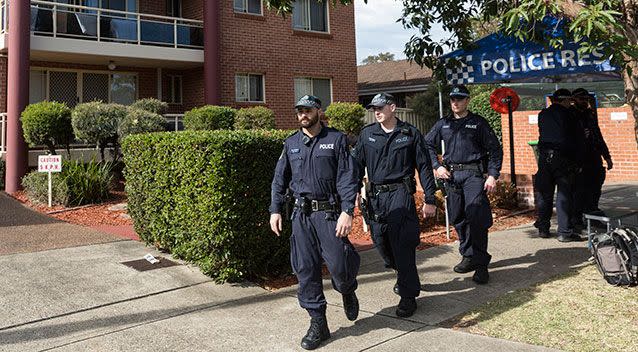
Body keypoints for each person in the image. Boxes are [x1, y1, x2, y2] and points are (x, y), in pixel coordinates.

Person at [269, 95, 360, 350]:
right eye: (299, 111)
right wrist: (275, 210)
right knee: (305, 269)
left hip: (329, 214)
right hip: (301, 216)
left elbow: (347, 177)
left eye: (307, 110)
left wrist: (347, 211)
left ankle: (347, 289)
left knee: (340, 266)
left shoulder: (336, 140)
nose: (303, 115)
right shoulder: (291, 143)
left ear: (318, 111)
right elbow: (279, 180)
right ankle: (318, 322)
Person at [351, 92, 437, 318]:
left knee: (403, 245)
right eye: (373, 109)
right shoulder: (367, 134)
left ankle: (408, 297)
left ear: (392, 107)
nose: (376, 112)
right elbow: (356, 167)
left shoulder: (409, 133)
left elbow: (424, 167)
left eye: (380, 107)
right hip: (376, 197)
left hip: (400, 193)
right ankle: (403, 274)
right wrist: (351, 195)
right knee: (381, 243)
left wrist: (430, 198)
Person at [424, 85, 503, 284]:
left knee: (476, 216)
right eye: (452, 99)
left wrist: (492, 175)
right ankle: (468, 255)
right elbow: (427, 144)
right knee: (458, 217)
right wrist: (436, 166)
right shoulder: (444, 124)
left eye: (459, 99)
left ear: (467, 100)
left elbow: (495, 150)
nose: (455, 103)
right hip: (451, 176)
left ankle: (481, 263)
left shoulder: (478, 123)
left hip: (473, 175)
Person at [533, 89, 586, 242]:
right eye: (569, 101)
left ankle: (543, 228)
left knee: (544, 194)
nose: (571, 104)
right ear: (564, 100)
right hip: (562, 158)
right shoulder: (569, 114)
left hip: (544, 157)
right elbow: (577, 139)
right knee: (564, 195)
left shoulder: (543, 114)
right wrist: (578, 161)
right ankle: (564, 232)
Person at [570, 88, 613, 224]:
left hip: (593, 156)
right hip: (579, 158)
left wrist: (607, 156)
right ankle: (577, 218)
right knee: (580, 189)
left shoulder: (589, 114)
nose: (584, 101)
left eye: (586, 99)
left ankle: (592, 212)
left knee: (595, 186)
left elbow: (598, 136)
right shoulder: (570, 115)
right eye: (581, 99)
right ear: (574, 100)